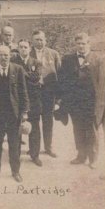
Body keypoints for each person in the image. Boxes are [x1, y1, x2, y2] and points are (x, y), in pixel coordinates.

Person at [59, 33, 105, 169]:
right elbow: (63, 80)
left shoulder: (98, 59)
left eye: (83, 43)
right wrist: (64, 99)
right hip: (75, 103)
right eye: (78, 43)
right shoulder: (67, 59)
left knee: (92, 130)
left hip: (91, 102)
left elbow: (101, 82)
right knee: (78, 129)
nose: (81, 46)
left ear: (89, 44)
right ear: (75, 44)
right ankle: (81, 155)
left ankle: (93, 159)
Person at [0, 45, 29, 182]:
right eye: (1, 55)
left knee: (14, 145)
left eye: (6, 55)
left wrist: (24, 111)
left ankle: (16, 171)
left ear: (10, 56)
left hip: (13, 114)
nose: (3, 58)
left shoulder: (18, 69)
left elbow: (23, 92)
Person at [13, 39, 44, 166]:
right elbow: (13, 81)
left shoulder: (36, 62)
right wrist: (28, 75)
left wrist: (21, 74)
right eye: (21, 47)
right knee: (16, 128)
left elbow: (36, 78)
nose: (23, 49)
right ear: (18, 49)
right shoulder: (13, 62)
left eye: (25, 47)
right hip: (18, 100)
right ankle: (16, 155)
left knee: (35, 128)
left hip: (34, 100)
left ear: (30, 49)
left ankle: (35, 155)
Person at [31, 30, 61, 158]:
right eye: (36, 39)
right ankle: (33, 148)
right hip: (34, 93)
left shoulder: (53, 54)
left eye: (41, 39)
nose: (39, 42)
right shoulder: (28, 53)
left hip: (49, 93)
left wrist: (58, 98)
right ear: (32, 41)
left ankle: (48, 147)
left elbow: (59, 75)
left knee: (48, 120)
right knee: (34, 120)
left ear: (45, 40)